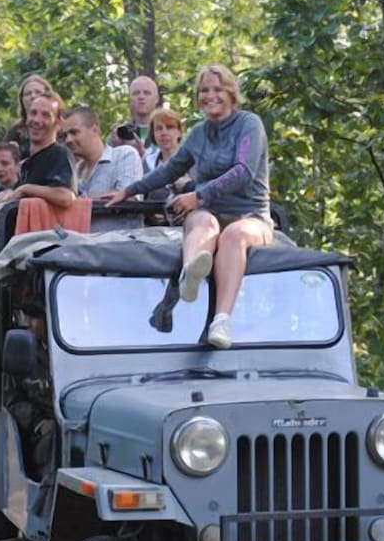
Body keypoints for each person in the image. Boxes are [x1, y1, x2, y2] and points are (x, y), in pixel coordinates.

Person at [104, 63, 273, 349]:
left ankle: (221, 321)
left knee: (233, 235)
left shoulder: (248, 124)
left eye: (217, 89)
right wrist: (129, 190)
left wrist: (198, 195)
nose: (210, 95)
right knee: (203, 222)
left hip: (250, 215)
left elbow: (243, 171)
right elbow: (169, 170)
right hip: (210, 213)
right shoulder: (198, 134)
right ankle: (190, 274)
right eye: (204, 90)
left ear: (231, 94)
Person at [0, 91, 77, 208]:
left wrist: (26, 189)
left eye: (46, 115)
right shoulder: (27, 162)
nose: (37, 120)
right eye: (33, 113)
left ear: (58, 124)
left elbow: (66, 196)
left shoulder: (59, 154)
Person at [6, 294, 55, 479]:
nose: (28, 324)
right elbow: (13, 400)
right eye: (27, 318)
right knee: (54, 441)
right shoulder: (24, 353)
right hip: (42, 432)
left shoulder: (77, 349)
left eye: (34, 318)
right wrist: (39, 423)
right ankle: (46, 491)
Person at [62, 105, 142, 199]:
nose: (68, 140)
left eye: (74, 132)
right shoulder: (74, 171)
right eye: (65, 135)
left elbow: (126, 201)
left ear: (95, 130)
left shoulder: (124, 155)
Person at [142, 107, 195, 201]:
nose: (164, 133)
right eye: (159, 129)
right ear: (153, 134)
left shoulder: (195, 159)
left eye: (170, 127)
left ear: (179, 132)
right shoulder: (147, 162)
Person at [110, 75, 160, 161]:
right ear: (130, 99)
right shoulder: (120, 133)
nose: (141, 97)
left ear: (156, 99)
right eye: (136, 93)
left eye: (147, 93)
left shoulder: (168, 132)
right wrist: (118, 149)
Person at [4, 74, 54, 160]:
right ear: (22, 100)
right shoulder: (15, 132)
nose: (33, 96)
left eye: (38, 92)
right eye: (28, 94)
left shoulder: (59, 126)